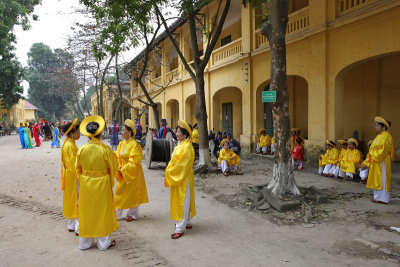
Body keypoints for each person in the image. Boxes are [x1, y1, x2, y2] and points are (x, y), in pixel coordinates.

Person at [75, 115, 118, 250]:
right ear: (100, 133)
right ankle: (103, 243)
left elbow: (77, 169)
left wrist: (84, 179)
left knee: (86, 211)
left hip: (86, 183)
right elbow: (114, 167)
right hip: (102, 183)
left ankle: (85, 243)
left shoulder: (82, 150)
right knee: (102, 211)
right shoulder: (105, 149)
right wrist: (109, 181)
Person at [164, 120, 196, 239]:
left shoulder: (187, 147)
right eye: (176, 131)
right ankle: (186, 221)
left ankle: (180, 228)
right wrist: (170, 168)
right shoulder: (180, 144)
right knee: (183, 199)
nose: (176, 134)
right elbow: (174, 160)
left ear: (185, 134)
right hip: (178, 174)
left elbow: (183, 164)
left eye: (178, 132)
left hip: (183, 176)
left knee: (183, 200)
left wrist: (171, 171)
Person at [115, 119, 148, 222]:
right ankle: (117, 214)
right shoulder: (122, 144)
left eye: (124, 130)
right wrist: (119, 166)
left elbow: (135, 160)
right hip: (123, 170)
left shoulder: (135, 145)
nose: (121, 132)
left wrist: (124, 169)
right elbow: (117, 156)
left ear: (129, 132)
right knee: (120, 192)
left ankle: (133, 214)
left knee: (133, 192)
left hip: (132, 171)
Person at [361, 117, 394, 204]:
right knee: (376, 178)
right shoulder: (379, 136)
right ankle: (378, 197)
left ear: (383, 127)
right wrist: (368, 160)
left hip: (382, 161)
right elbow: (372, 149)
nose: (375, 127)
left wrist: (373, 156)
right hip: (376, 160)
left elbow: (383, 151)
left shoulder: (386, 136)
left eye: (377, 126)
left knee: (382, 178)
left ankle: (383, 199)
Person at [61, 119, 80, 235]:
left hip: (69, 175)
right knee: (77, 199)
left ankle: (71, 225)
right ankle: (78, 226)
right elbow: (75, 164)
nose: (79, 133)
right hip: (74, 176)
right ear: (72, 133)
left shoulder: (68, 144)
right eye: (77, 131)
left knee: (70, 198)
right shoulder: (70, 146)